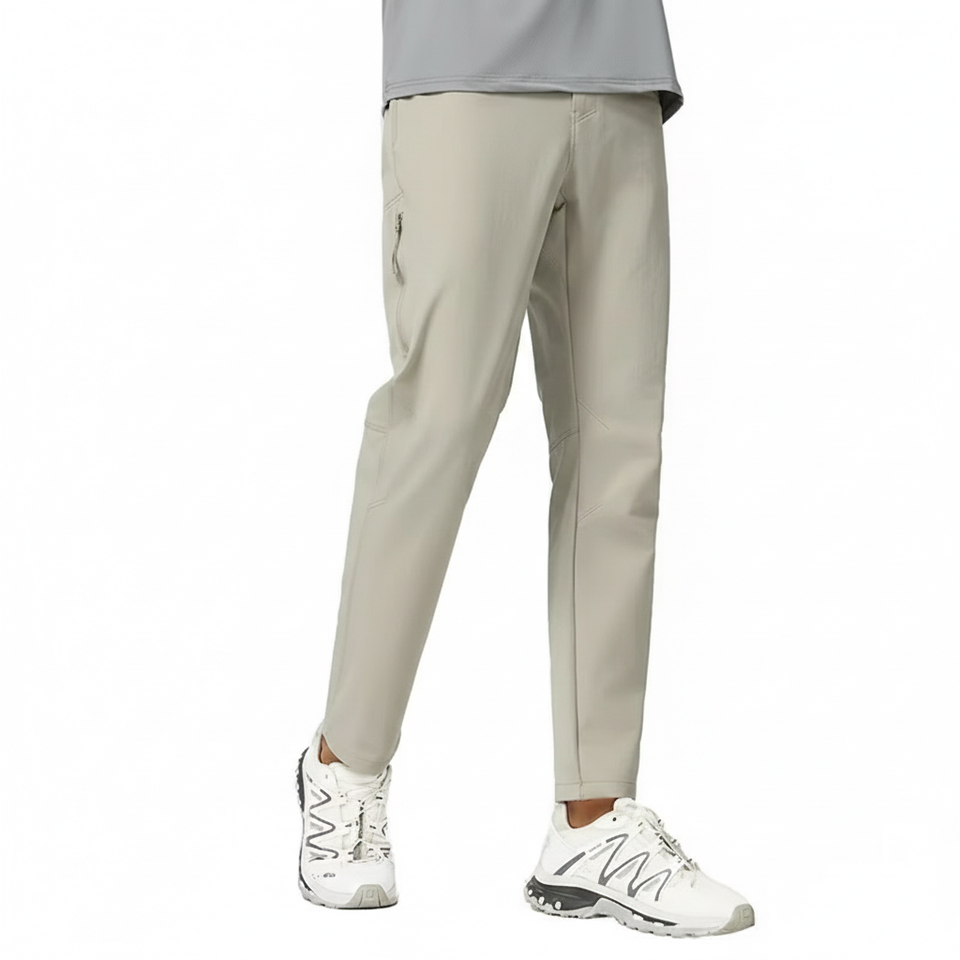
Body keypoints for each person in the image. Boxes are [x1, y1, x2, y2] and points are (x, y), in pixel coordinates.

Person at [295, 0, 754, 937]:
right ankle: (345, 766)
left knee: (618, 451)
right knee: (440, 422)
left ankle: (592, 821)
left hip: (622, 72)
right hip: (463, 71)